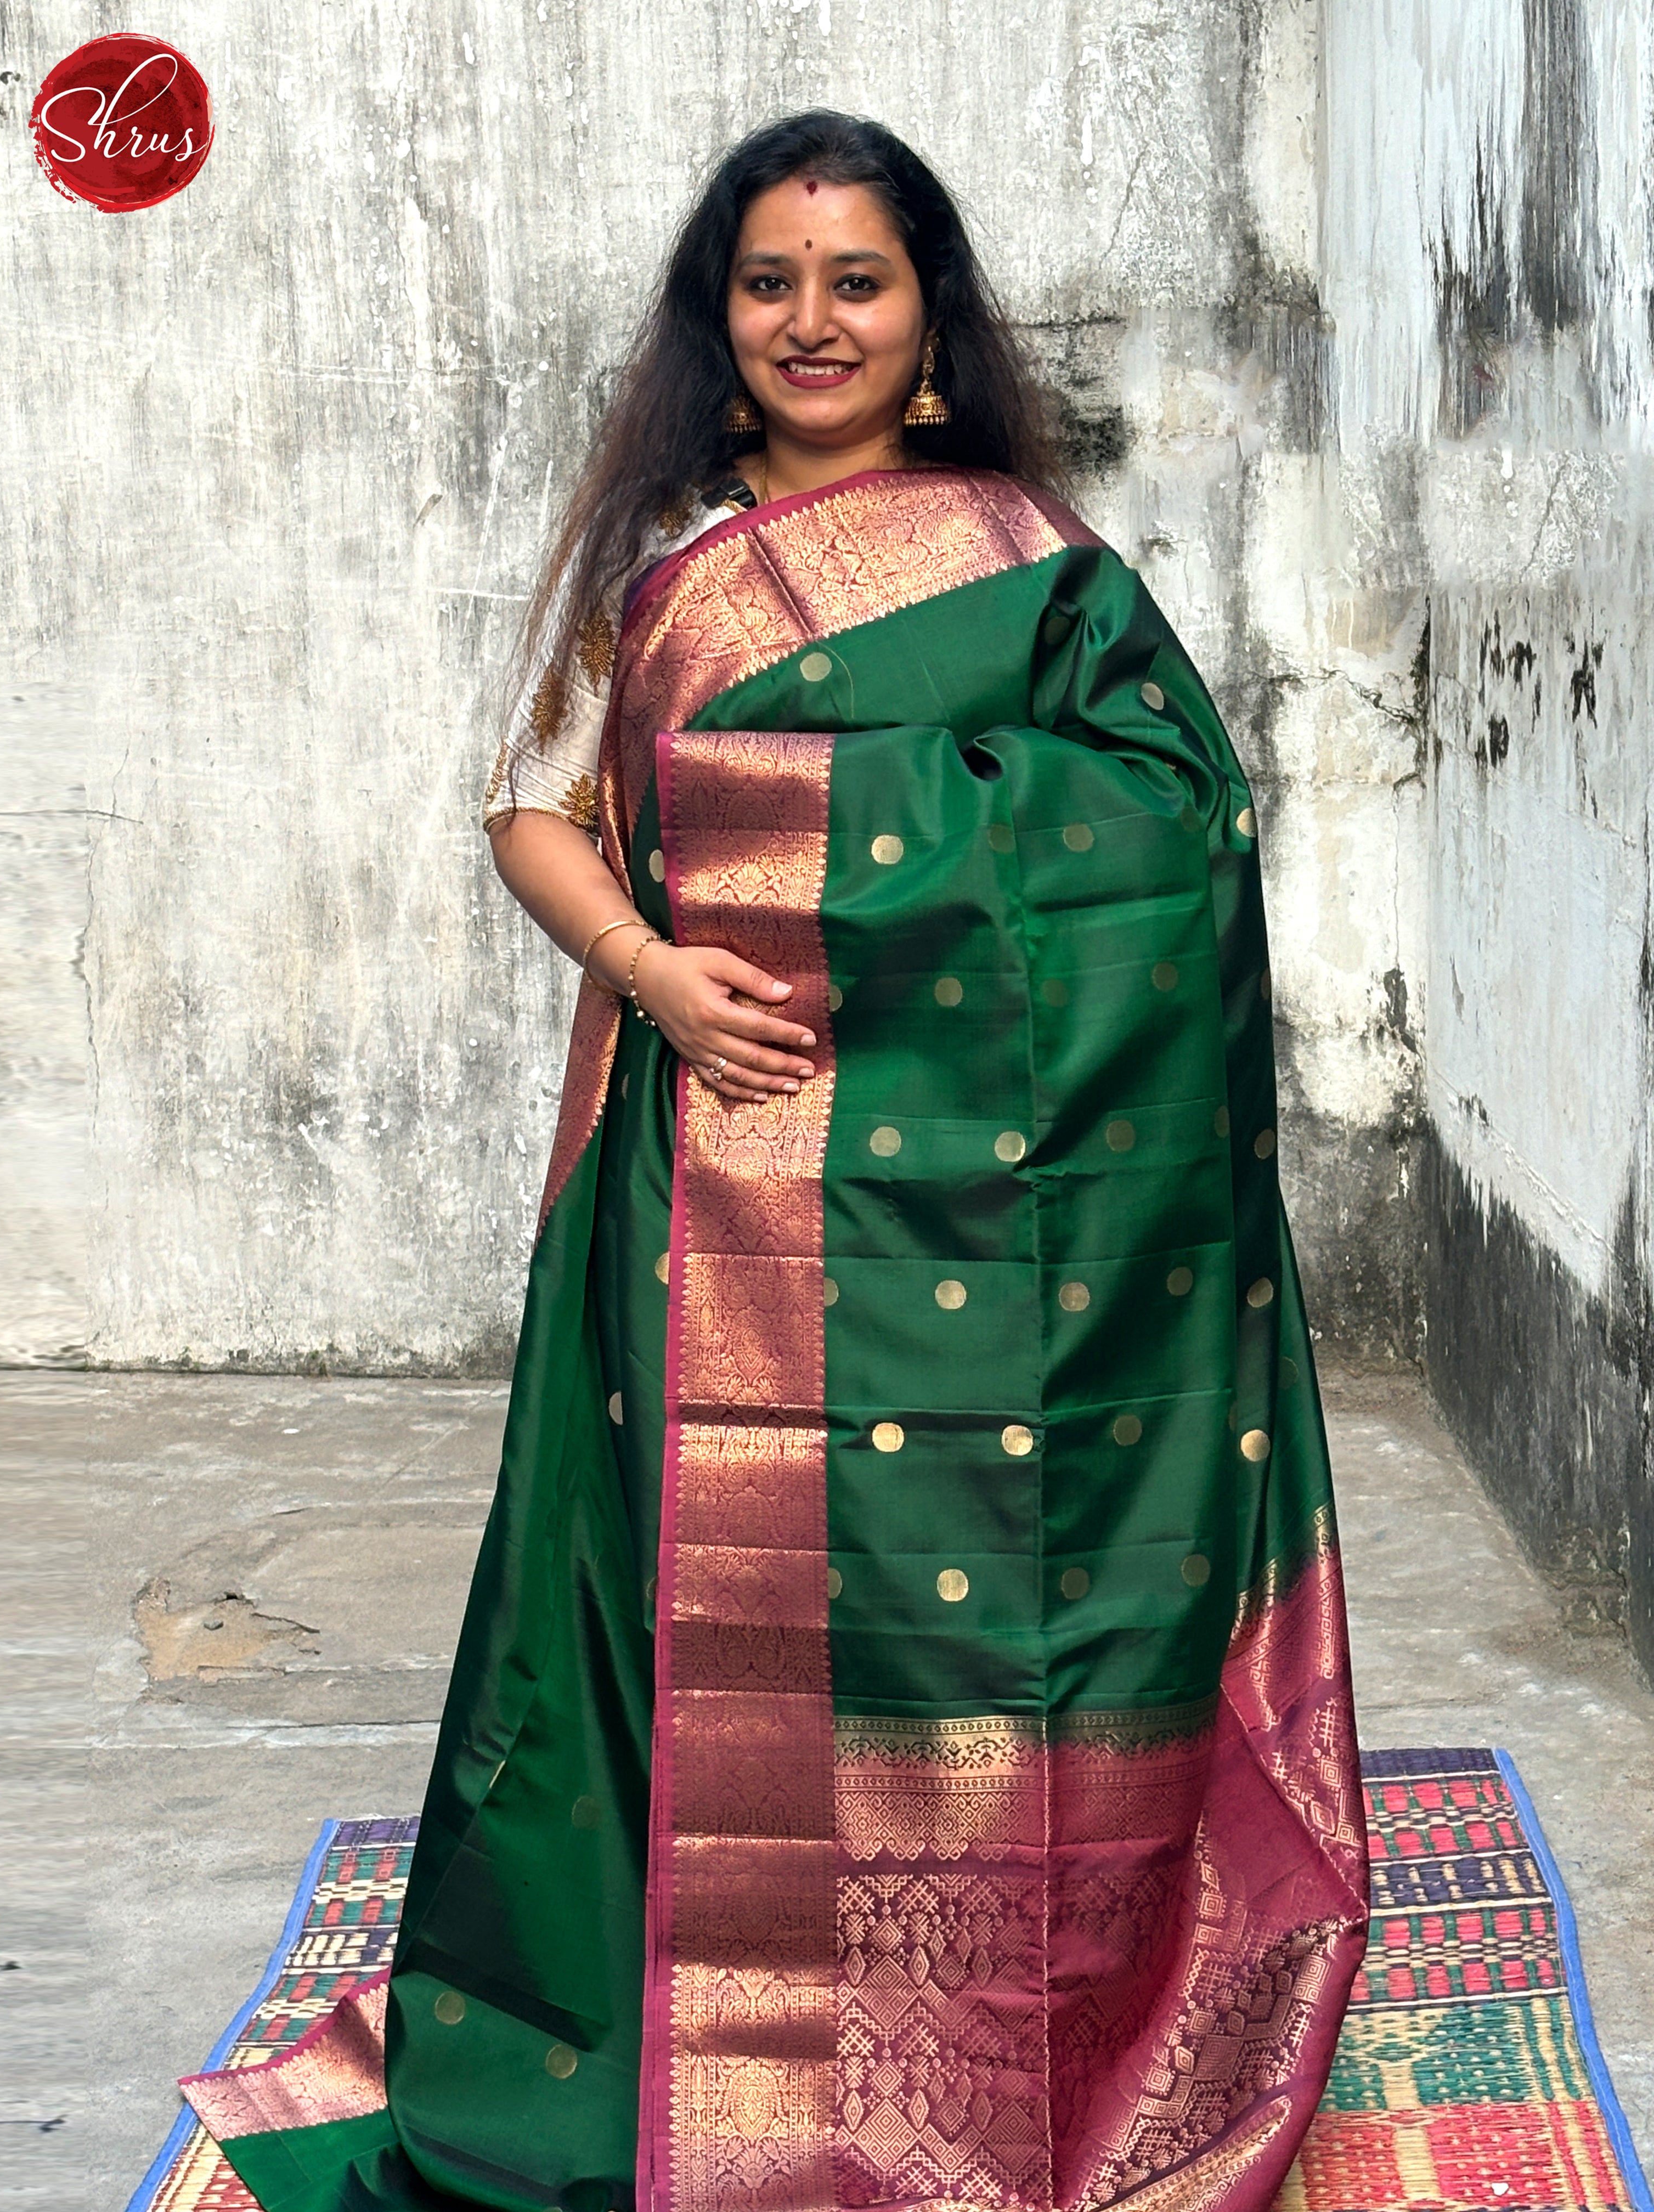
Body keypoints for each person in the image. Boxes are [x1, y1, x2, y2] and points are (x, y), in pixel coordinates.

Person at [184, 110, 1368, 2212]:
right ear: (718, 320)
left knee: (963, 1616)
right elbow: (531, 805)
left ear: (930, 326)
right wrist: (657, 967)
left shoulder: (1033, 567)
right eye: (769, 281)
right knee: (699, 1616)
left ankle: (1007, 2023)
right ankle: (691, 2032)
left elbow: (1175, 843)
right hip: (717, 1166)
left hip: (996, 1229)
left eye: (858, 281)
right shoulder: (662, 559)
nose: (811, 320)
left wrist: (809, 833)